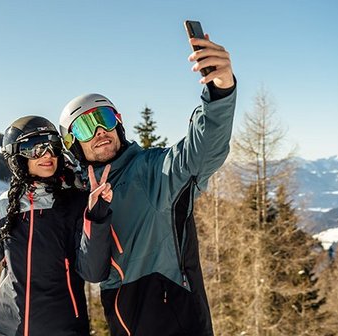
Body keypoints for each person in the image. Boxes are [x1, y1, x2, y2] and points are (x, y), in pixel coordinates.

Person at [58, 34, 236, 335]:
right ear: (73, 143)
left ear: (119, 124)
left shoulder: (153, 171)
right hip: (123, 323)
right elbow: (92, 272)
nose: (100, 130)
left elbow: (203, 150)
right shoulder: (80, 197)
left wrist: (220, 91)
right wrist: (96, 216)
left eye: (105, 118)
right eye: (86, 126)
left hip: (175, 317)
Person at [0, 116, 113, 336]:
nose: (47, 154)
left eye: (52, 146)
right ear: (17, 157)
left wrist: (96, 216)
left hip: (62, 328)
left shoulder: (74, 202)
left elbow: (93, 272)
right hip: (6, 328)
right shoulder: (8, 204)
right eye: (34, 148)